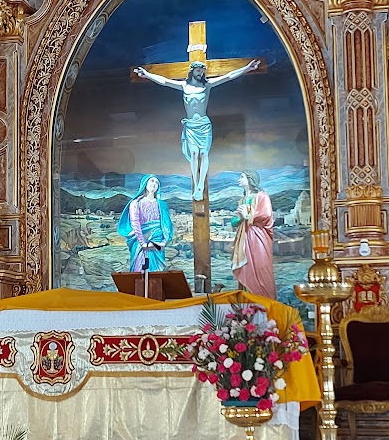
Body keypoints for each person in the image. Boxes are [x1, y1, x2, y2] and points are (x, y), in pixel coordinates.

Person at [133, 57, 262, 200]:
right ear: (192, 71)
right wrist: (147, 75)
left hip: (203, 125)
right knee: (194, 154)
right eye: (198, 70)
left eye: (202, 71)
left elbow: (228, 76)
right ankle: (196, 184)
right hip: (191, 126)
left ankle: (201, 185)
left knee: (203, 154)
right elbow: (164, 81)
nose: (200, 73)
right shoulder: (184, 86)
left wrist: (247, 68)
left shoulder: (207, 85)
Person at [231, 171, 276, 300]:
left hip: (258, 238)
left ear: (250, 179)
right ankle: (247, 308)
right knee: (246, 269)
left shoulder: (262, 196)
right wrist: (240, 218)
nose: (239, 179)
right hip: (244, 239)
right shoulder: (242, 200)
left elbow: (266, 215)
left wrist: (247, 216)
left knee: (261, 268)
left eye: (242, 177)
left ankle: (265, 304)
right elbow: (234, 221)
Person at [117, 175, 174, 273]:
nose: (154, 184)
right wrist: (142, 243)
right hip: (140, 243)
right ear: (145, 183)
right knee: (140, 271)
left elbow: (167, 225)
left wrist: (164, 242)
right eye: (152, 181)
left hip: (158, 242)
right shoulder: (136, 203)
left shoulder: (162, 205)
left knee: (157, 273)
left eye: (157, 183)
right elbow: (135, 223)